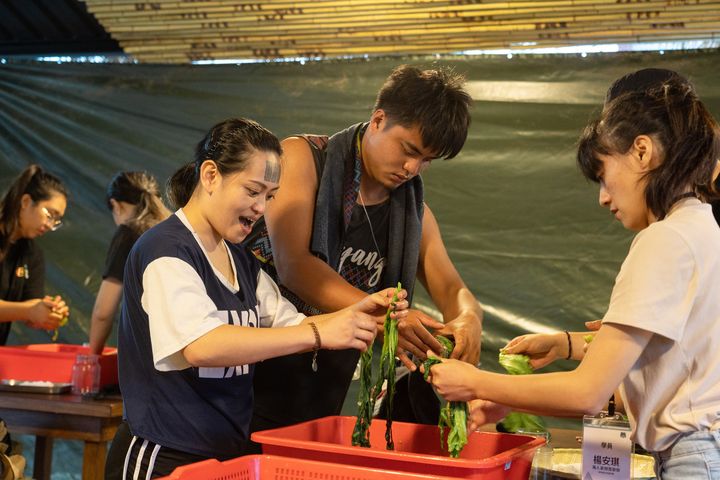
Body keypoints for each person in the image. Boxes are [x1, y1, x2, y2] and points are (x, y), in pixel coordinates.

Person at [427, 72, 720, 479]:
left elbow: (587, 392)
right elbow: (663, 349)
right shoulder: (701, 228)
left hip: (690, 458)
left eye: (602, 174)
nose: (603, 197)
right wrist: (564, 346)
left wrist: (476, 382)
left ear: (641, 151)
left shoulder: (665, 240)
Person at [116, 118, 409, 478]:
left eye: (269, 196)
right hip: (165, 453)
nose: (260, 207)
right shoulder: (166, 250)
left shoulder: (241, 260)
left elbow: (293, 323)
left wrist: (357, 312)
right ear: (210, 176)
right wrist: (319, 334)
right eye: (252, 191)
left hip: (225, 455)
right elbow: (201, 345)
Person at [244, 64, 483, 435]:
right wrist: (391, 320)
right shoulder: (304, 159)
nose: (412, 168)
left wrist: (469, 318)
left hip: (322, 392)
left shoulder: (413, 215)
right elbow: (294, 265)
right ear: (378, 119)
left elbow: (453, 289)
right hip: (248, 374)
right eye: (408, 150)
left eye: (426, 161)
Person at [88, 171, 170, 355]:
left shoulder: (129, 233)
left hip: (149, 358)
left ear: (115, 205)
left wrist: (93, 357)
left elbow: (103, 311)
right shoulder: (176, 230)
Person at [0, 164, 70, 345]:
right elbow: (26, 309)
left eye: (56, 220)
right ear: (25, 202)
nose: (50, 225)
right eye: (50, 214)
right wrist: (29, 310)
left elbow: (30, 310)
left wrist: (49, 312)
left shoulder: (32, 254)